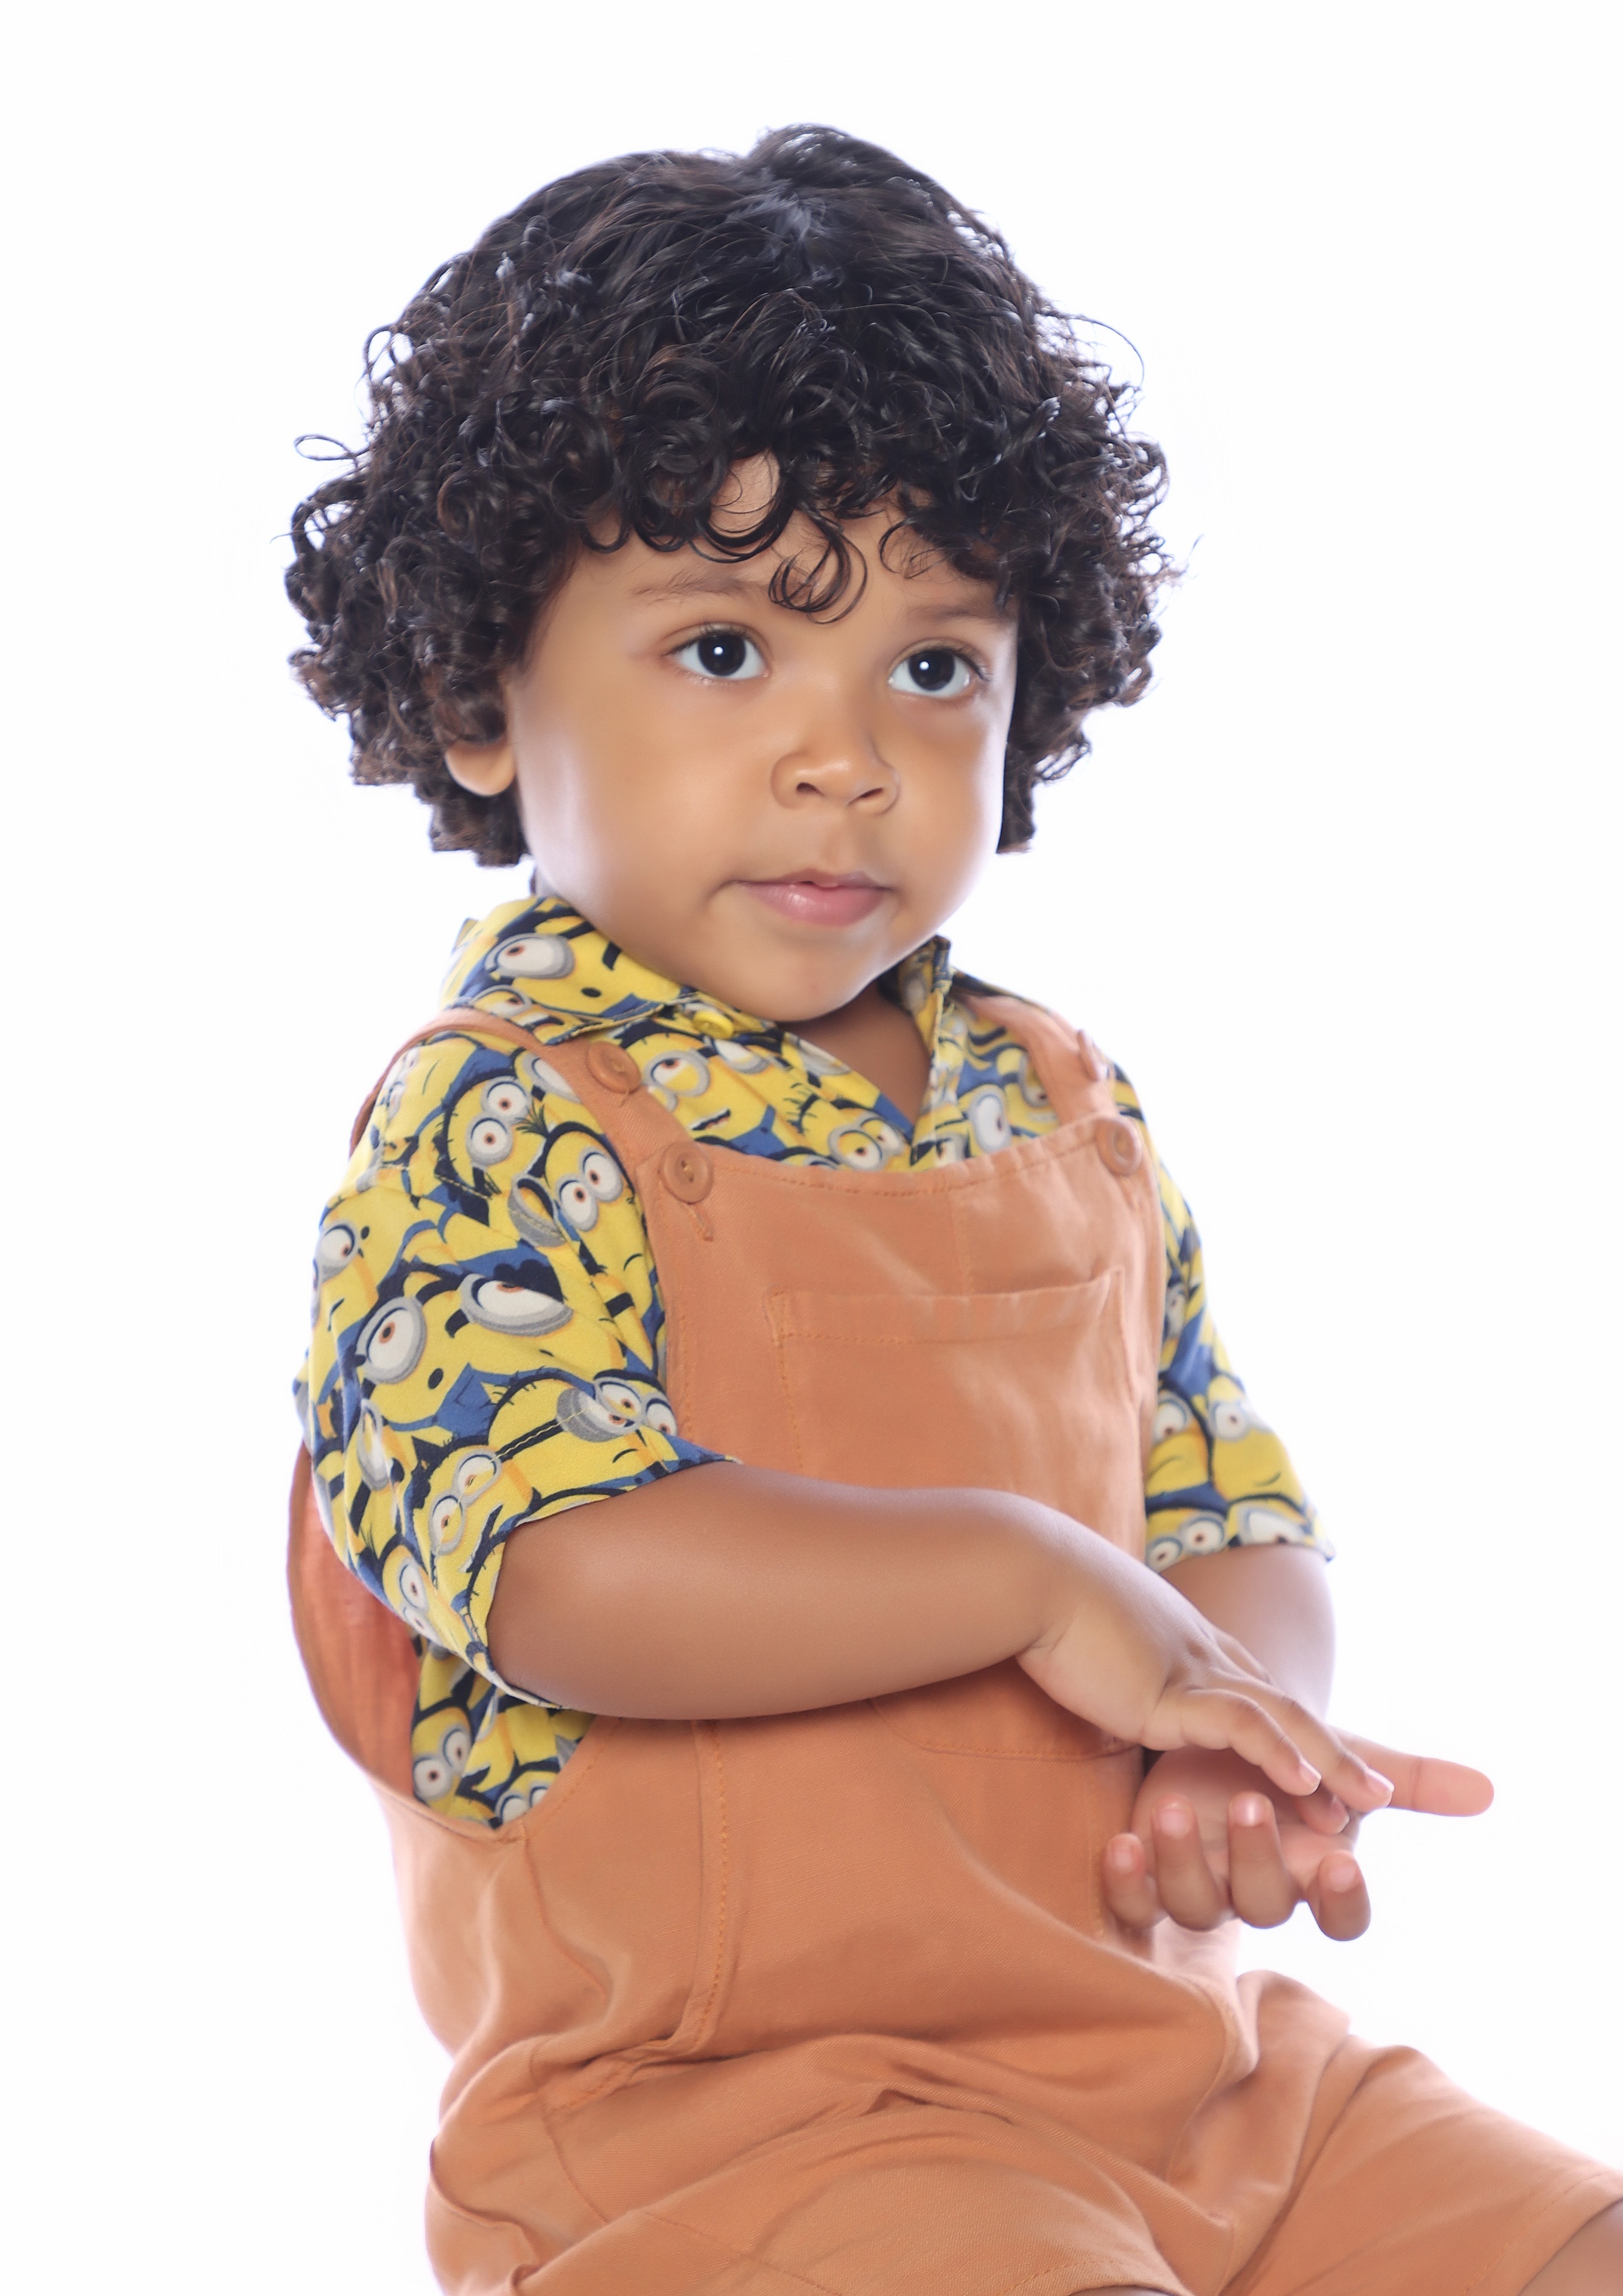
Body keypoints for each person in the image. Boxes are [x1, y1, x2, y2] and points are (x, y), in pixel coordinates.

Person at [285, 126, 1622, 2295]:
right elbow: (551, 1570)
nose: (846, 757)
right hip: (750, 2131)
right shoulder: (502, 1120)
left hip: (1185, 2065)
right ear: (473, 698)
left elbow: (1223, 1505)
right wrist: (1027, 1579)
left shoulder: (1056, 1093)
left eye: (931, 669)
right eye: (725, 650)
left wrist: (1226, 1725)